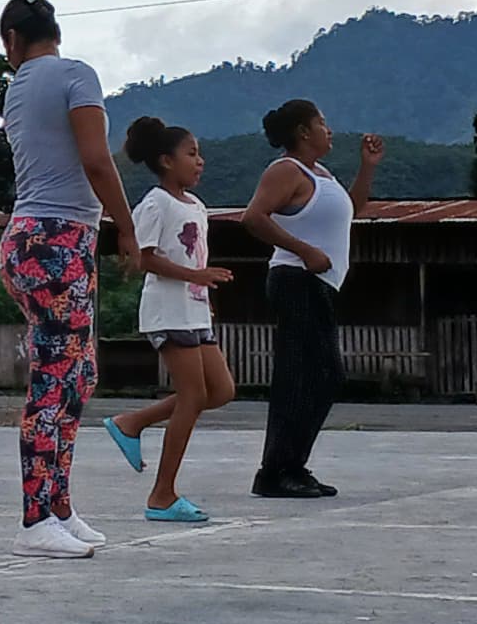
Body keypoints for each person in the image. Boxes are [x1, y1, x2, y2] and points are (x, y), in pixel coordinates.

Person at [0, 0, 136, 560]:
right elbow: (96, 159)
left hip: (39, 238)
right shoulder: (77, 75)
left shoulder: (18, 87)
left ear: (11, 40)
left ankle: (58, 506)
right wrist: (127, 227)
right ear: (56, 33)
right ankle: (35, 520)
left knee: (78, 376)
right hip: (57, 239)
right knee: (56, 381)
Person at [237, 99, 380, 500]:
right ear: (303, 131)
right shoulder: (286, 170)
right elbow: (253, 217)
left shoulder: (322, 174)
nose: (328, 130)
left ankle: (292, 466)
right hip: (296, 279)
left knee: (320, 376)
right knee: (305, 375)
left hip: (319, 284)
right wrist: (304, 250)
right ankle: (275, 471)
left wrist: (367, 168)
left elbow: (351, 210)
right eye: (322, 122)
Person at [105, 116, 236, 523]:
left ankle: (132, 422)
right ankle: (162, 495)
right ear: (166, 160)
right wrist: (196, 277)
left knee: (222, 390)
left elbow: (194, 257)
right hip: (167, 309)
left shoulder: (196, 205)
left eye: (199, 154)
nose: (200, 161)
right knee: (193, 396)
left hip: (193, 310)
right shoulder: (155, 203)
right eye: (191, 154)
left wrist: (201, 289)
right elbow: (144, 258)